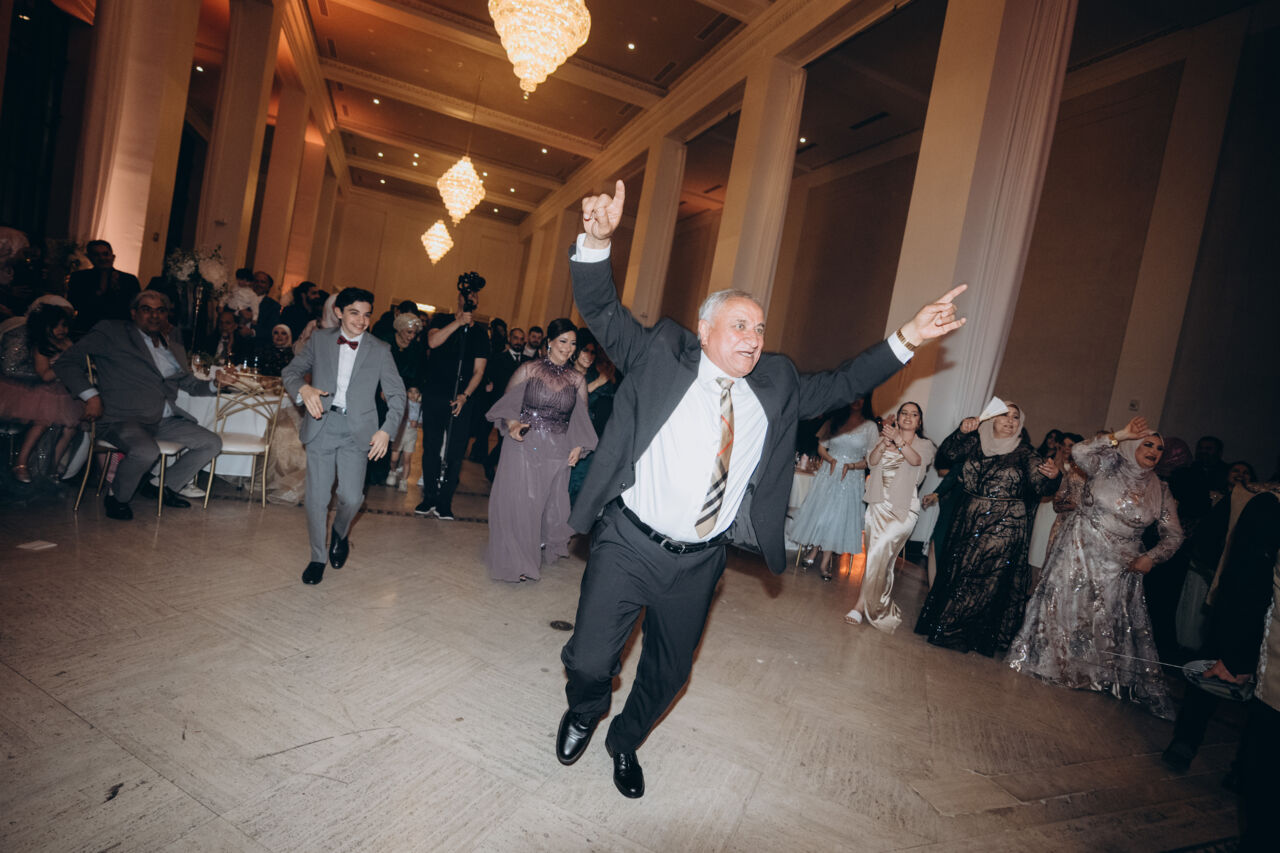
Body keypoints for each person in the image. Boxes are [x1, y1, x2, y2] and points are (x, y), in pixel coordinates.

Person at [554, 180, 966, 799]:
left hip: (699, 562)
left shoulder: (776, 384)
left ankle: (625, 742)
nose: (753, 337)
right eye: (740, 324)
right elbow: (603, 311)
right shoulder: (661, 352)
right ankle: (586, 710)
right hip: (630, 541)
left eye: (760, 328)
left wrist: (909, 334)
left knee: (669, 674)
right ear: (705, 328)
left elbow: (846, 379)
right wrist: (597, 242)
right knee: (589, 660)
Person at [1007, 417, 1184, 718]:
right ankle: (1050, 664)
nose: (1154, 451)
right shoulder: (1107, 465)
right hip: (1079, 548)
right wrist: (1120, 434)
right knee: (1064, 607)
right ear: (1131, 446)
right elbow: (1078, 452)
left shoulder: (1160, 489)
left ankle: (1091, 675)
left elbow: (1175, 535)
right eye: (1147, 444)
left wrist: (1151, 557)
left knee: (1102, 618)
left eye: (1159, 448)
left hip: (1121, 565)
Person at [54, 291, 238, 519]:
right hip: (123, 418)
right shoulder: (112, 332)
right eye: (146, 309)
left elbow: (189, 384)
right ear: (133, 313)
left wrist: (215, 383)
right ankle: (117, 498)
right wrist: (91, 396)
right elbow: (66, 363)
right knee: (146, 451)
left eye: (160, 310)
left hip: (163, 419)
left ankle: (161, 486)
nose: (154, 315)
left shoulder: (172, 345)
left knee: (211, 443)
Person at [914, 403, 1060, 656]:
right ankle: (951, 627)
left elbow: (1042, 487)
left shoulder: (1025, 453)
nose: (1010, 421)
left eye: (1016, 417)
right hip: (968, 520)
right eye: (1004, 415)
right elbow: (946, 456)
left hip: (1004, 526)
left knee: (984, 580)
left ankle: (956, 633)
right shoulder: (975, 442)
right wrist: (961, 432)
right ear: (992, 418)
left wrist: (1054, 476)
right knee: (960, 572)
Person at [282, 287, 406, 585]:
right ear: (338, 312)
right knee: (317, 499)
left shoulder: (380, 349)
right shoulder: (319, 340)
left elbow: (398, 395)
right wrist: (303, 389)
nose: (361, 321)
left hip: (358, 432)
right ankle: (317, 557)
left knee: (352, 498)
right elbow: (291, 372)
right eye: (354, 313)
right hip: (322, 425)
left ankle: (339, 532)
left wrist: (386, 430)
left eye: (366, 315)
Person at [484, 318, 597, 582]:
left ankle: (531, 549)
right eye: (563, 341)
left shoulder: (577, 380)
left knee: (545, 505)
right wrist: (513, 425)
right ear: (549, 342)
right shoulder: (529, 370)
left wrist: (577, 445)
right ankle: (517, 561)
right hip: (524, 443)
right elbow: (507, 405)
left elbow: (579, 419)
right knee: (521, 502)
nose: (568, 348)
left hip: (557, 449)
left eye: (573, 344)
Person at [848, 401, 936, 631]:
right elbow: (871, 462)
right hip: (878, 505)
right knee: (877, 558)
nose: (908, 417)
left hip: (903, 508)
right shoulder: (884, 438)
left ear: (919, 422)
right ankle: (874, 603)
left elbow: (916, 462)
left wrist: (898, 440)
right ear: (897, 417)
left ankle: (861, 605)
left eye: (913, 414)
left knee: (880, 551)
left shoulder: (925, 445)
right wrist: (883, 443)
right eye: (904, 413)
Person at [413, 277, 488, 521]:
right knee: (431, 447)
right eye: (467, 294)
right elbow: (433, 341)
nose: (471, 297)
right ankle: (429, 497)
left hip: (462, 399)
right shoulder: (442, 320)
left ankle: (445, 502)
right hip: (435, 394)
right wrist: (458, 322)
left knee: (456, 452)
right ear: (459, 297)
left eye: (475, 295)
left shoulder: (480, 333)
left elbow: (479, 371)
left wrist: (465, 396)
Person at [789, 397, 879, 580]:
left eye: (862, 397)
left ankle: (825, 561)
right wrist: (831, 460)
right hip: (828, 473)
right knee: (822, 513)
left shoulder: (870, 427)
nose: (857, 401)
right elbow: (822, 447)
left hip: (851, 478)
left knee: (838, 517)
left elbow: (871, 460)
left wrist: (852, 466)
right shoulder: (835, 421)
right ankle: (814, 551)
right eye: (854, 397)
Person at [0, 303, 82, 482]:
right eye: (56, 326)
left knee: (71, 428)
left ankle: (53, 466)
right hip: (44, 391)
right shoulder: (42, 346)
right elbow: (44, 375)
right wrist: (63, 364)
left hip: (64, 392)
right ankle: (21, 463)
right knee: (42, 422)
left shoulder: (67, 343)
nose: (61, 330)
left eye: (64, 325)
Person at [383, 311, 427, 489]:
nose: (412, 336)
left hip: (404, 396)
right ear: (399, 328)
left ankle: (392, 472)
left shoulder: (417, 349)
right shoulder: (386, 342)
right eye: (409, 332)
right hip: (383, 393)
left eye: (415, 333)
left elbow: (419, 375)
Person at [67, 240, 141, 338]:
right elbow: (74, 303)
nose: (102, 258)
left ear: (113, 257)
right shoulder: (79, 278)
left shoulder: (129, 280)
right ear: (89, 257)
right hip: (87, 330)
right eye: (96, 255)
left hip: (120, 332)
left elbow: (136, 307)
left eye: (105, 254)